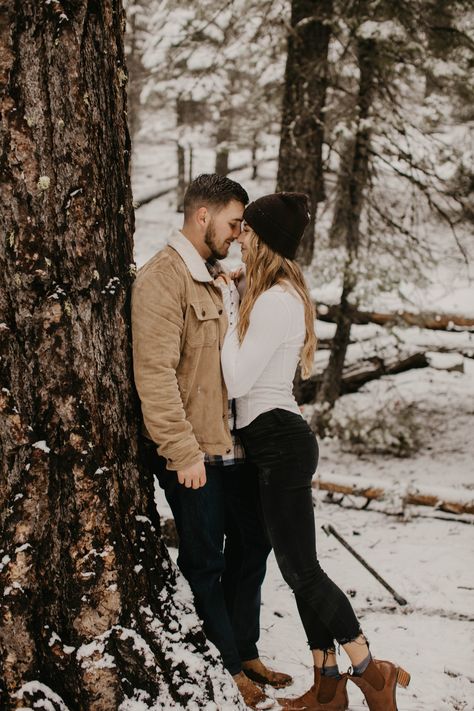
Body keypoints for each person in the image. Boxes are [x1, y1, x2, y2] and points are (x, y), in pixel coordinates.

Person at [217, 192, 411, 711]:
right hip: (276, 441)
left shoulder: (276, 301)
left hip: (280, 441)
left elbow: (235, 378)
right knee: (299, 566)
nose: (240, 239)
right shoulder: (273, 295)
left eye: (248, 234)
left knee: (302, 570)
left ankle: (371, 668)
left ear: (265, 242)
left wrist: (228, 307)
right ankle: (327, 682)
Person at [131, 174, 291, 709]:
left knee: (255, 543)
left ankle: (245, 650)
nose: (239, 234)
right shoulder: (162, 279)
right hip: (193, 449)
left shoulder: (218, 276)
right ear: (203, 216)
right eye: (233, 223)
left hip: (234, 445)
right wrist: (181, 452)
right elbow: (153, 374)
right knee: (206, 559)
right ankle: (225, 668)